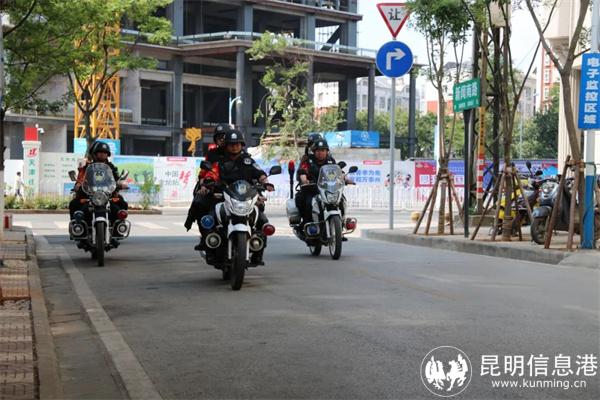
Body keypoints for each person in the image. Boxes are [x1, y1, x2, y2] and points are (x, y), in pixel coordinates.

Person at [201, 129, 275, 264]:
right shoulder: (220, 161)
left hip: (245, 198)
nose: (235, 147)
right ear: (226, 145)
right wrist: (208, 182)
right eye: (231, 144)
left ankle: (258, 253)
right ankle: (210, 249)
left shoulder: (248, 160)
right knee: (209, 219)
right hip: (224, 196)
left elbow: (259, 173)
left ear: (242, 145)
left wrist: (266, 183)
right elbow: (212, 173)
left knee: (263, 221)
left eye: (237, 144)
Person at [184, 123, 232, 231]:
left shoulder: (239, 153)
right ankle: (204, 231)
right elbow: (204, 172)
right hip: (214, 186)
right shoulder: (212, 153)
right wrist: (203, 184)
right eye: (219, 137)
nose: (222, 140)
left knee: (258, 204)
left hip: (234, 188)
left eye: (224, 137)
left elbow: (250, 171)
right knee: (198, 201)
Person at [69, 141, 128, 223]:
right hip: (90, 195)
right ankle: (77, 226)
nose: (103, 154)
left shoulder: (111, 167)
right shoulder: (88, 167)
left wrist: (122, 184)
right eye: (100, 152)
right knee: (74, 203)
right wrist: (78, 184)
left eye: (105, 152)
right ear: (95, 153)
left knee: (122, 203)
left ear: (107, 154)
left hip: (107, 195)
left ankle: (120, 225)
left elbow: (117, 179)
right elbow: (81, 178)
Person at [295, 139, 337, 229]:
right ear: (314, 152)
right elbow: (303, 170)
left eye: (323, 150)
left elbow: (337, 171)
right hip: (312, 189)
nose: (320, 153)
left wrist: (345, 178)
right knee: (308, 203)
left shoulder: (331, 161)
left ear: (327, 151)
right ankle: (307, 224)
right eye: (317, 150)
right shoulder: (308, 160)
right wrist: (304, 178)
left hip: (328, 190)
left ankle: (341, 223)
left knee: (340, 200)